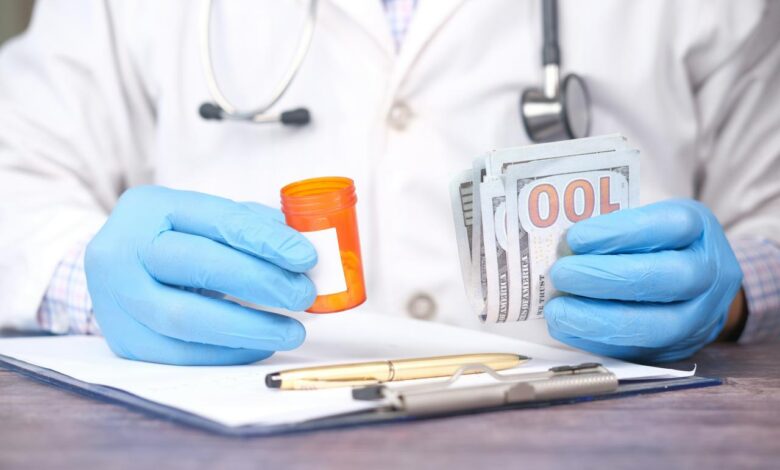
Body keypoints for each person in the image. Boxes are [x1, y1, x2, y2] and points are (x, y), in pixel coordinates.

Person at [0, 0, 778, 365]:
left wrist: (736, 287)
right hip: (248, 428)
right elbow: (15, 168)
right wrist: (88, 276)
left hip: (597, 432)